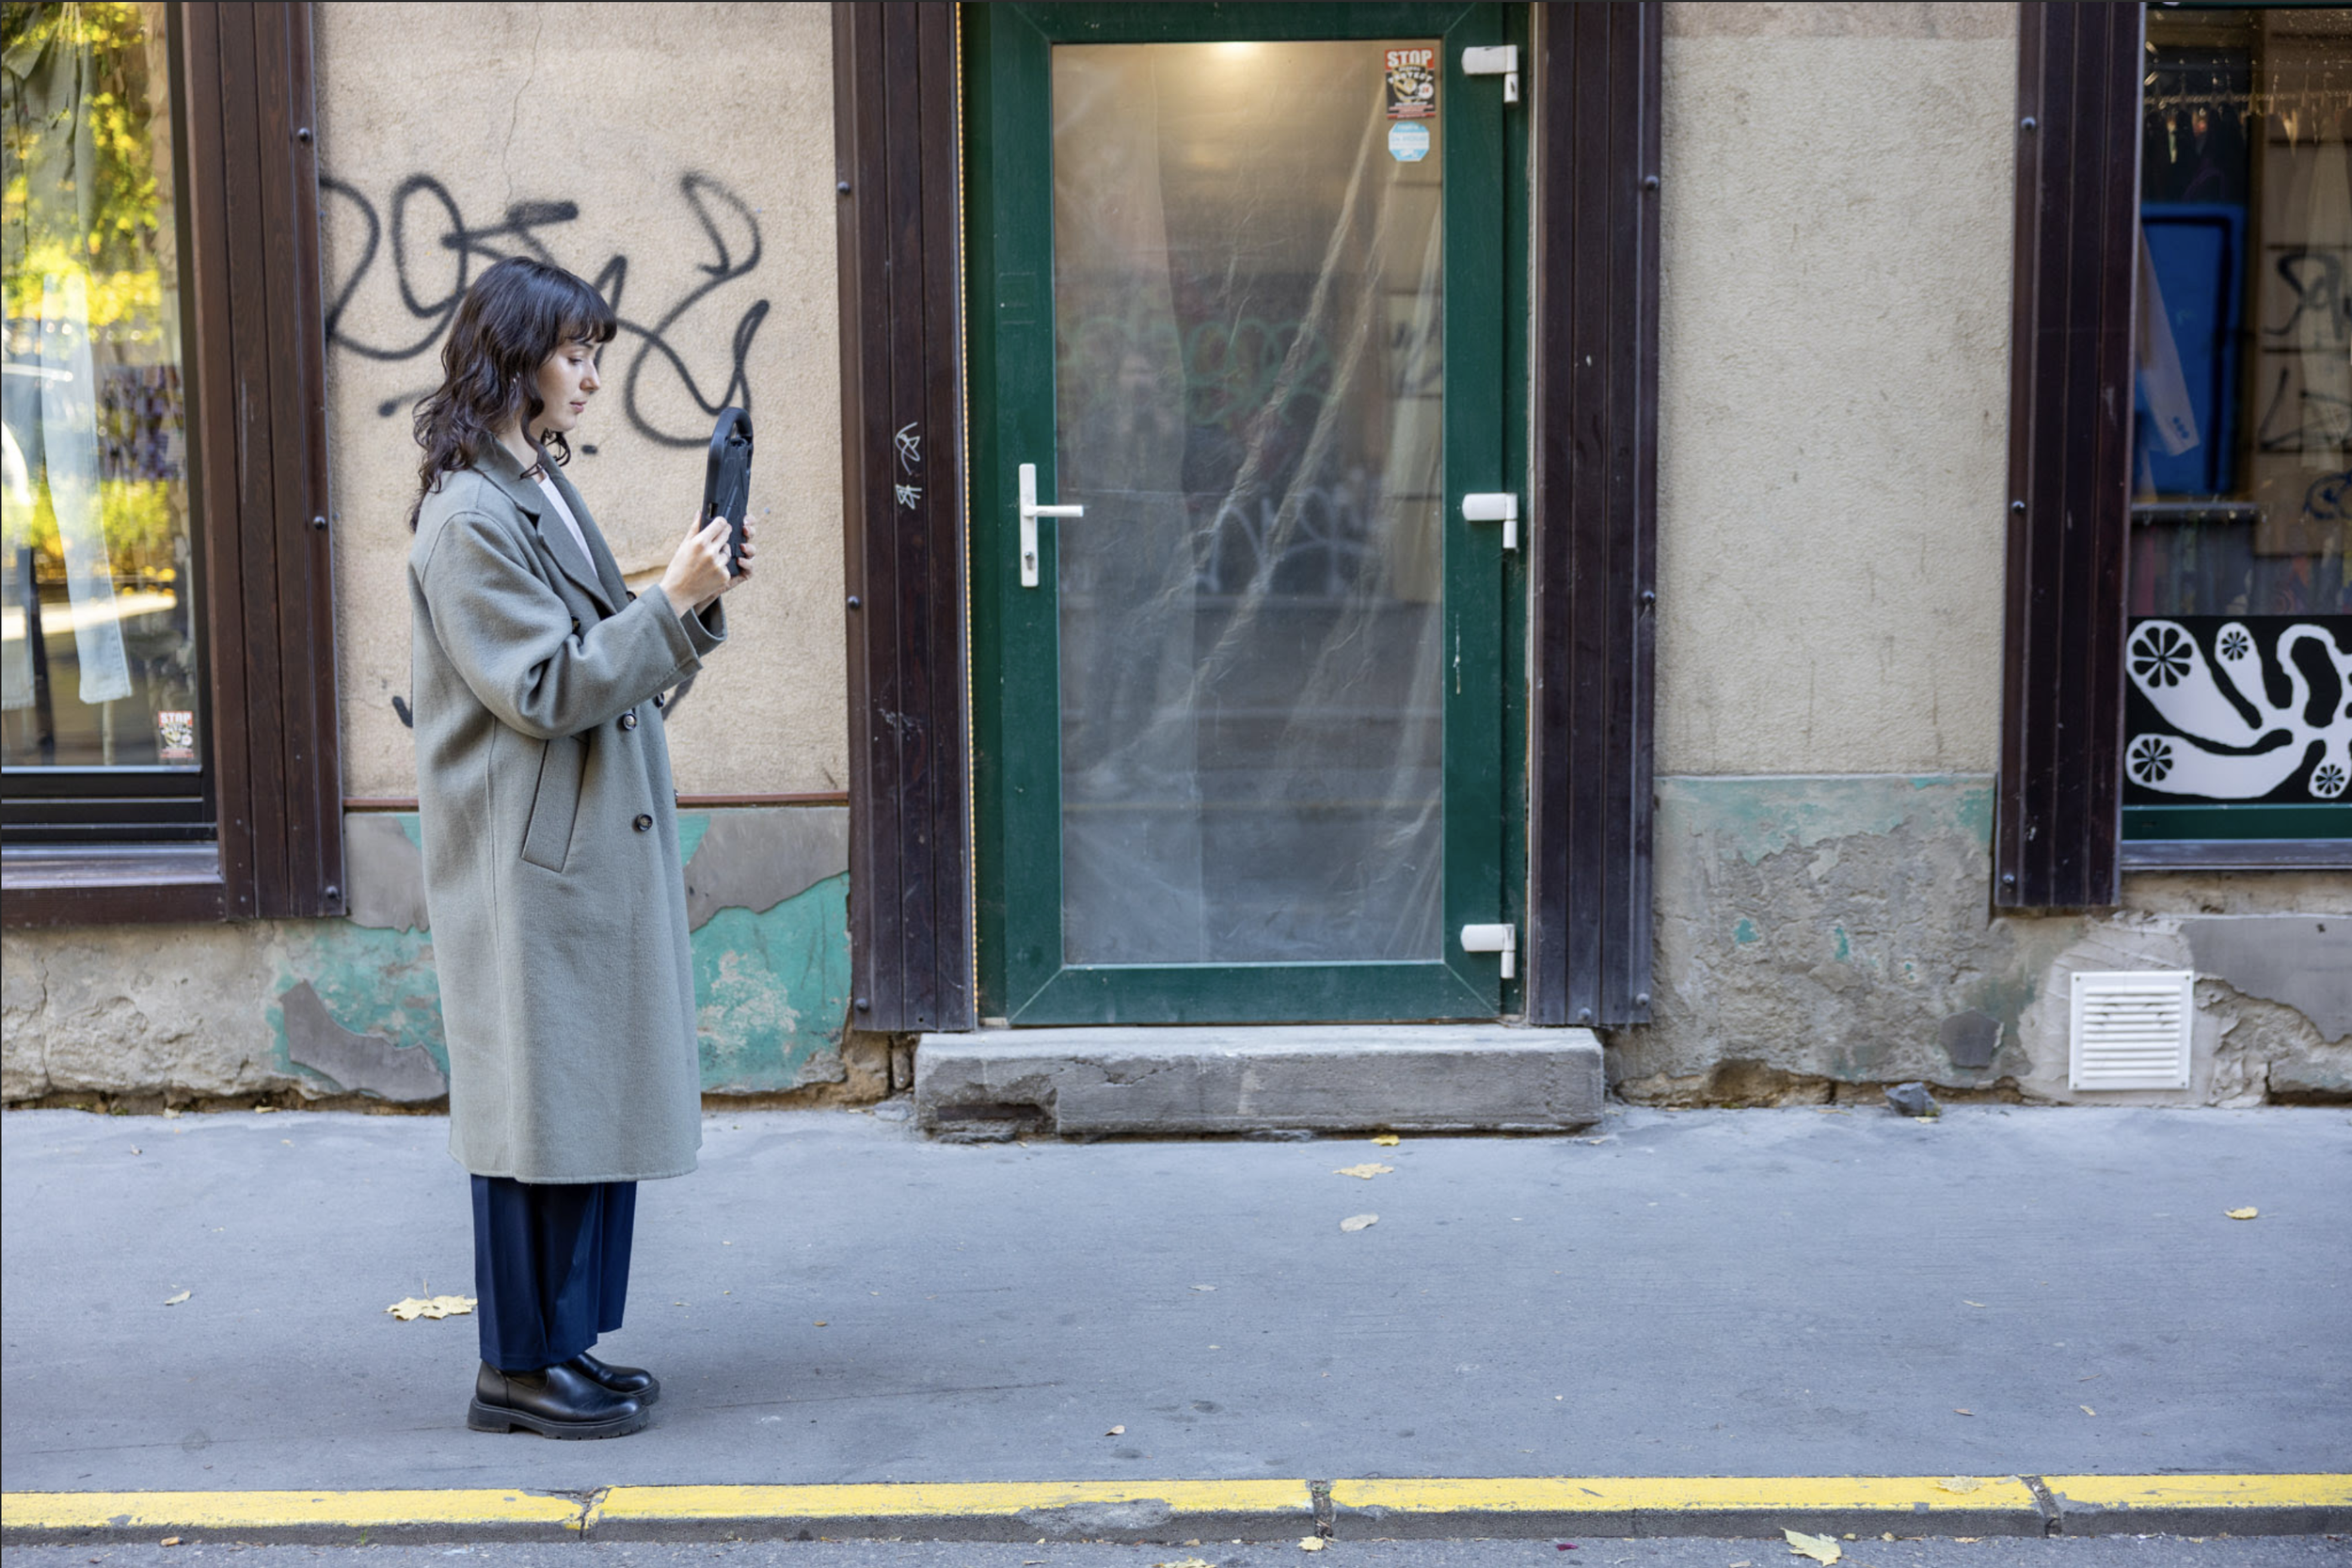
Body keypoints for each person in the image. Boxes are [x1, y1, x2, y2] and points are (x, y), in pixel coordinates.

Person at [405, 256, 752, 1439]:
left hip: (575, 842)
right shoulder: (469, 515)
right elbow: (544, 684)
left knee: (584, 1101)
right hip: (528, 859)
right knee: (531, 1114)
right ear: (515, 361)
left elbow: (600, 647)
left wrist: (689, 596)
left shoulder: (532, 482)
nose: (593, 376)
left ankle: (566, 1344)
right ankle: (516, 1366)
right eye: (574, 354)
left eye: (595, 353)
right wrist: (670, 604)